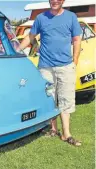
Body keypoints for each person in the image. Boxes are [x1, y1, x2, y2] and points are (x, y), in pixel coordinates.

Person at [18, 0, 82, 146]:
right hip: (45, 66)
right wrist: (16, 50)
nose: (55, 1)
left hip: (65, 66)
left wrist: (75, 62)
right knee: (49, 98)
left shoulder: (71, 17)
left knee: (66, 99)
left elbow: (77, 39)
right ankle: (53, 129)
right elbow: (30, 36)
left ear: (63, 1)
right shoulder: (41, 18)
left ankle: (66, 134)